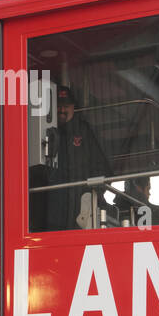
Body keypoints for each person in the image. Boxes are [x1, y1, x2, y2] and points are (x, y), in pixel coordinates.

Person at [45, 85, 111, 230]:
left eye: (66, 106)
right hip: (55, 211)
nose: (62, 110)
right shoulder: (48, 132)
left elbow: (102, 167)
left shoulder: (85, 132)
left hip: (81, 209)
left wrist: (94, 194)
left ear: (73, 107)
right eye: (59, 106)